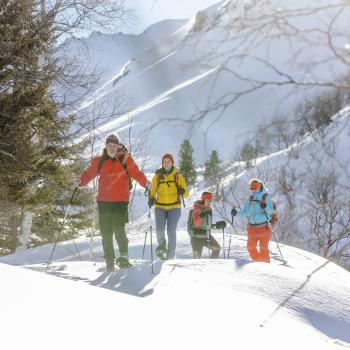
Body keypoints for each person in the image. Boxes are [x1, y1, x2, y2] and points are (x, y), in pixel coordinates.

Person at [77, 134, 152, 271]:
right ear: (105, 146)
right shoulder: (99, 160)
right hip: (103, 201)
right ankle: (110, 261)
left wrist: (146, 183)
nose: (112, 148)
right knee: (106, 232)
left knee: (118, 229)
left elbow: (136, 173)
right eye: (109, 145)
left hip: (120, 201)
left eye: (114, 146)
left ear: (118, 146)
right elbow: (89, 174)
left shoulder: (125, 159)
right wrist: (80, 181)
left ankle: (123, 256)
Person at [148, 153, 189, 260]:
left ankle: (170, 256)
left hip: (174, 208)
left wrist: (182, 191)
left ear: (172, 163)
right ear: (162, 163)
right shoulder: (157, 176)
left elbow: (186, 194)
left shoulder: (178, 176)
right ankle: (162, 248)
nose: (166, 163)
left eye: (168, 162)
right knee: (159, 231)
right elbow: (152, 189)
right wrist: (151, 198)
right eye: (164, 162)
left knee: (171, 231)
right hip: (160, 207)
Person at [231, 178, 274, 263]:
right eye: (252, 187)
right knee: (250, 247)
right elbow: (246, 212)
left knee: (263, 249)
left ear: (260, 186)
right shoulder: (251, 198)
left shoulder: (266, 197)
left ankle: (266, 270)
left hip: (264, 227)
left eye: (255, 187)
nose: (253, 189)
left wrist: (265, 206)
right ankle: (258, 264)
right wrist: (236, 213)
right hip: (252, 228)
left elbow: (271, 212)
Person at [187, 191, 226, 259]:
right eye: (208, 201)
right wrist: (202, 215)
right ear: (203, 200)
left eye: (210, 201)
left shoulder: (208, 209)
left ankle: (212, 266)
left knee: (216, 248)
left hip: (206, 236)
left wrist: (217, 225)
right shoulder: (196, 209)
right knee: (196, 259)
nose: (209, 203)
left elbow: (207, 225)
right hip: (196, 238)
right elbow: (197, 224)